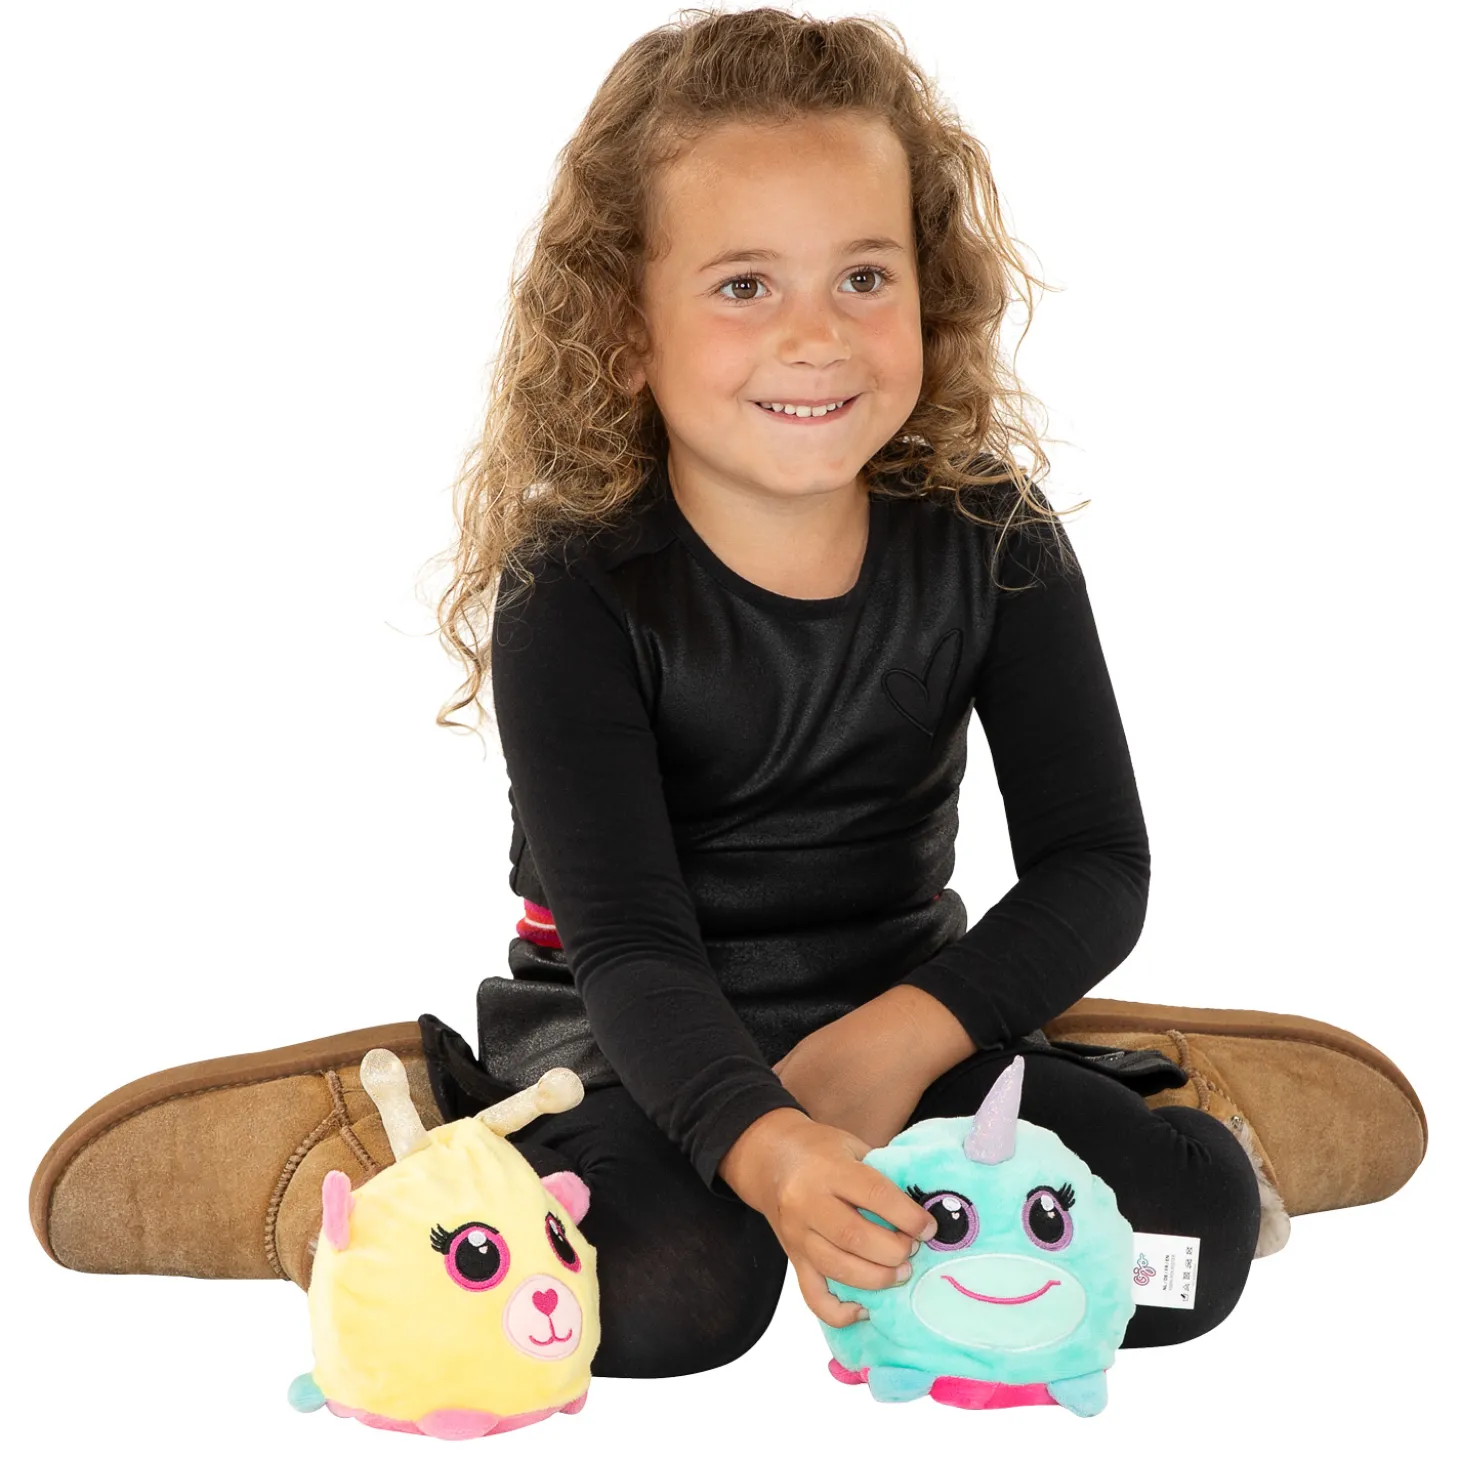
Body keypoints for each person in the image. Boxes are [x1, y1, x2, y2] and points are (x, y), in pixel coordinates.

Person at [29, 5, 1426, 1388]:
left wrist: (900, 1046)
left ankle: (1148, 1095)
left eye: (864, 276)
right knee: (671, 1299)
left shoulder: (991, 536)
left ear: (930, 294)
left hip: (903, 1034)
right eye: (745, 285)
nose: (816, 336)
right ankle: (393, 1168)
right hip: (631, 1049)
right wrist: (768, 1147)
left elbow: (1097, 864)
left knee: (1185, 1255)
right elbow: (630, 947)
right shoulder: (577, 586)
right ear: (624, 330)